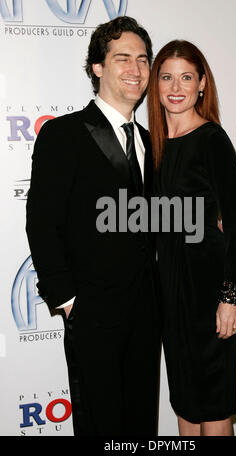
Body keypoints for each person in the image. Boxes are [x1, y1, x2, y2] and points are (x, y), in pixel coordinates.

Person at [26, 16, 161, 436]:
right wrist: (67, 300)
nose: (135, 69)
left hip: (147, 312)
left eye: (142, 59)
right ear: (97, 68)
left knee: (140, 425)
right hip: (92, 313)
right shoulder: (63, 134)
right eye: (122, 58)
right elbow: (42, 223)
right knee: (100, 427)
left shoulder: (154, 141)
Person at [147, 40, 236, 436]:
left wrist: (231, 298)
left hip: (211, 293)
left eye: (186, 77)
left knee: (213, 407)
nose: (176, 86)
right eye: (167, 77)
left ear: (202, 84)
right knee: (186, 404)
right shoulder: (150, 147)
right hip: (171, 296)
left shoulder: (212, 140)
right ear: (155, 85)